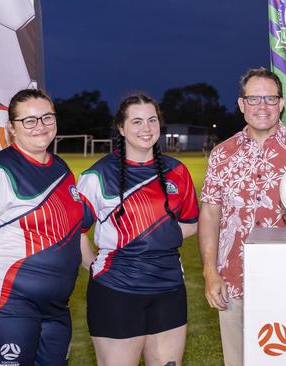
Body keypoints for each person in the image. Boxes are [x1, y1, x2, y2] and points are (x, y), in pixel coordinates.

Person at [198, 67, 286, 366]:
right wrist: (209, 272)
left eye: (270, 98)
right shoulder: (221, 154)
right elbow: (210, 214)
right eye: (254, 99)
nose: (262, 106)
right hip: (232, 279)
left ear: (282, 104)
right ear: (241, 105)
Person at [0, 89, 82, 365]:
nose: (40, 126)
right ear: (11, 128)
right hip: (6, 305)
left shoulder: (61, 169)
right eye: (29, 120)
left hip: (56, 309)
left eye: (47, 117)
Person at [77, 94, 199, 365]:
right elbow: (76, 231)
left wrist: (158, 237)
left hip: (168, 288)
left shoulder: (177, 172)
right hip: (116, 290)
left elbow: (191, 223)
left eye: (152, 120)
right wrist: (91, 264)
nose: (146, 128)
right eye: (137, 121)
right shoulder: (97, 176)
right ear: (121, 128)